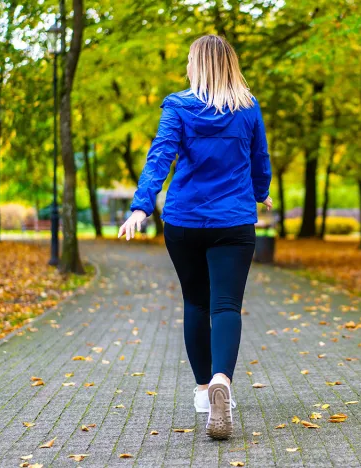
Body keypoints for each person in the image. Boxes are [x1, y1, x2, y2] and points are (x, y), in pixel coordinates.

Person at [117, 35, 273, 440]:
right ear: (229, 65)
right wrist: (261, 192)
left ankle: (205, 391)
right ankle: (223, 379)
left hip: (185, 221)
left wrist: (141, 206)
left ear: (196, 65)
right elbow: (260, 159)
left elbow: (160, 156)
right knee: (225, 306)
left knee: (195, 301)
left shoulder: (178, 106)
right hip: (234, 221)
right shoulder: (248, 107)